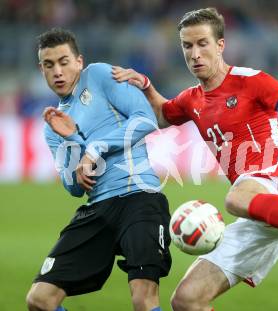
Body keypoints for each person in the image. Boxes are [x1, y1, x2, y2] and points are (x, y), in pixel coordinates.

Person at [112, 7, 278, 311]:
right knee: (187, 300)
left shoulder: (251, 81)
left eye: (203, 43)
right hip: (257, 208)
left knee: (235, 196)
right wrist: (146, 86)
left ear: (220, 45)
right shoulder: (191, 99)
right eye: (187, 46)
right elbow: (163, 116)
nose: (195, 53)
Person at [26, 28, 171, 311]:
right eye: (49, 64)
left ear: (79, 61)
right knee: (39, 300)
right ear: (41, 69)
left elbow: (145, 120)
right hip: (98, 210)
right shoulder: (53, 125)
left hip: (139, 197)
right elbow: (74, 188)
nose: (57, 71)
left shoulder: (100, 76)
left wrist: (94, 148)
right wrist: (72, 139)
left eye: (64, 61)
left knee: (143, 298)